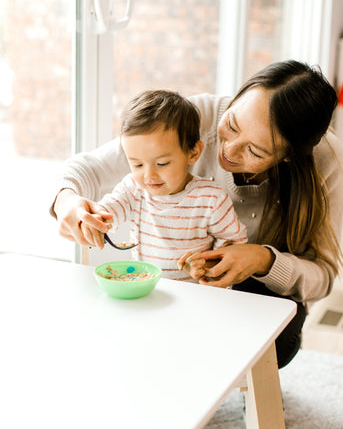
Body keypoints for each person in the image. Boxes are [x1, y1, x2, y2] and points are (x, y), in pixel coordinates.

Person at [51, 60, 343, 368]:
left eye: (254, 152)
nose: (228, 150)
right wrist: (66, 202)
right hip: (166, 274)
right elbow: (87, 168)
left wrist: (262, 260)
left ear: (288, 157)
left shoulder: (326, 162)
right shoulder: (191, 119)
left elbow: (322, 277)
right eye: (231, 125)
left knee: (277, 341)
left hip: (253, 288)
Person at [79, 89, 247, 281]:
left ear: (193, 153)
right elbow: (112, 207)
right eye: (137, 164)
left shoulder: (211, 199)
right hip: (146, 288)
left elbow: (235, 246)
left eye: (162, 164)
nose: (149, 175)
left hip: (196, 294)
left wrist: (207, 264)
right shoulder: (134, 188)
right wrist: (96, 220)